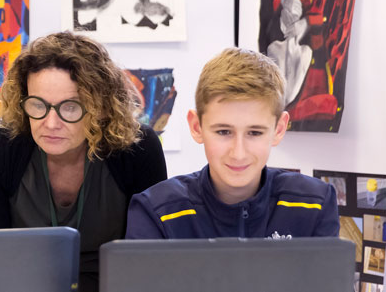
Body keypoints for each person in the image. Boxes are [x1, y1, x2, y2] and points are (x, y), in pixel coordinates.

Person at [0, 32, 167, 292]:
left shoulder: (137, 148)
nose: (50, 124)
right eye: (38, 105)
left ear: (102, 107)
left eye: (70, 107)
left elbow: (151, 261)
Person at [125, 48, 339, 239]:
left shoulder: (315, 204)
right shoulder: (156, 212)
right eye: (224, 132)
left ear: (279, 129)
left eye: (254, 133)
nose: (238, 153)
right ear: (196, 127)